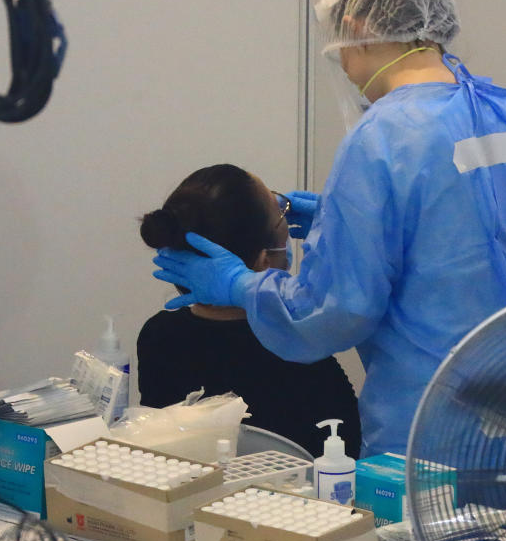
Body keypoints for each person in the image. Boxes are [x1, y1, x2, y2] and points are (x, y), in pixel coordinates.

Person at [151, 0, 506, 458]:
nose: (350, 73)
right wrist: (341, 220)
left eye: (342, 53)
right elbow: (497, 232)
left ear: (358, 28)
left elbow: (336, 312)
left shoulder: (383, 136)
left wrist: (242, 286)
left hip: (439, 429)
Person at [138, 163, 360, 459]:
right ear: (264, 261)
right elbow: (349, 454)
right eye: (281, 211)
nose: (288, 211)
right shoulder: (298, 348)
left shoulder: (157, 336)